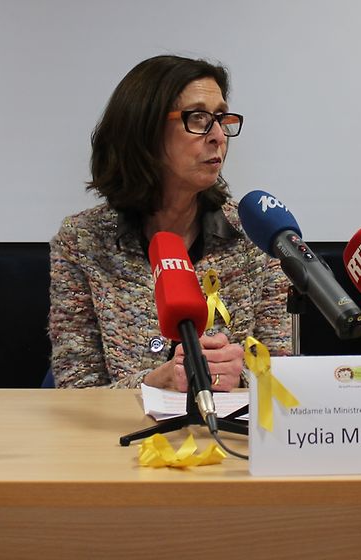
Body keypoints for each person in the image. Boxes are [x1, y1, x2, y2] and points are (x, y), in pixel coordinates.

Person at [48, 55, 291, 390]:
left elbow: (281, 376)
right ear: (144, 130)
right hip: (120, 440)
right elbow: (76, 390)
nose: (219, 135)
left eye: (222, 119)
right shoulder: (82, 241)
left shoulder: (254, 231)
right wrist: (156, 381)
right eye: (199, 118)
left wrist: (240, 377)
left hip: (232, 438)